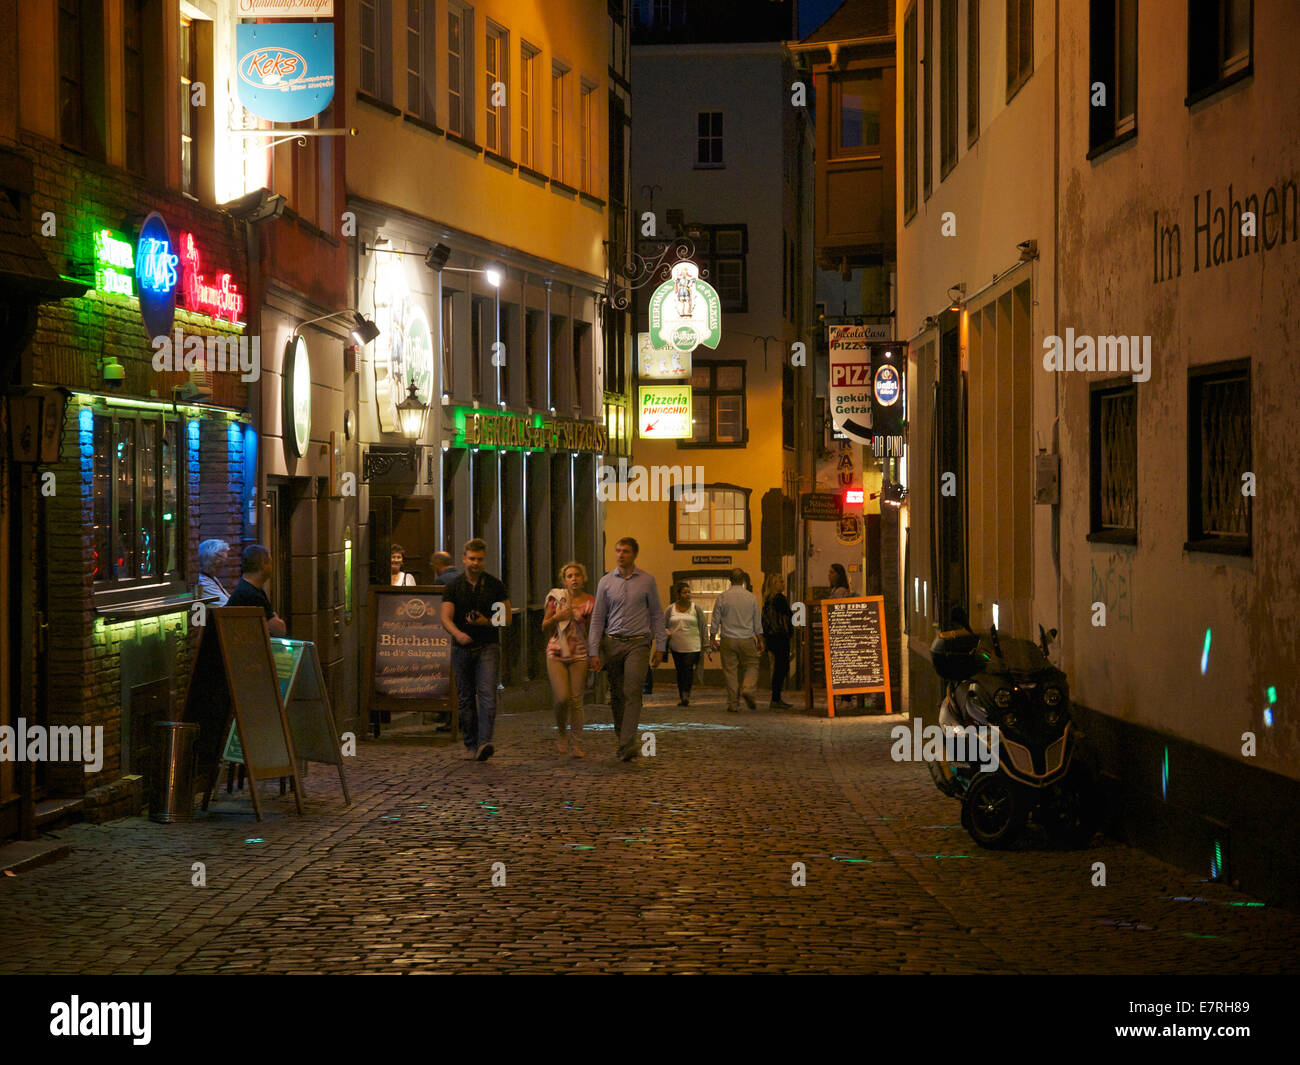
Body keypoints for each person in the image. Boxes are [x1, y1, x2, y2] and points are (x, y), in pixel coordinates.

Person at [588, 537, 666, 762]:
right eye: (618, 551)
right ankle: (623, 738)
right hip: (612, 642)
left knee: (632, 690)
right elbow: (597, 618)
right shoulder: (605, 582)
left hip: (638, 643)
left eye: (626, 551)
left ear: (634, 555)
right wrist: (594, 651)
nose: (621, 555)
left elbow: (656, 614)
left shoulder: (647, 581)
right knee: (617, 694)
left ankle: (626, 741)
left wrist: (660, 645)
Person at [441, 538, 510, 762]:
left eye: (479, 559)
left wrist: (486, 622)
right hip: (461, 648)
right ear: (464, 558)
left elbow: (506, 617)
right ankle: (470, 743)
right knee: (465, 698)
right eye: (471, 559)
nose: (475, 563)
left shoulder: (494, 585)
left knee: (488, 695)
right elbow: (445, 617)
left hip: (487, 646)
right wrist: (458, 634)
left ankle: (484, 742)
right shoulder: (454, 586)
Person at [541, 561, 595, 757]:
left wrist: (595, 654)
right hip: (556, 652)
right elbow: (544, 626)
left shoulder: (590, 601)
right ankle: (562, 732)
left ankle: (577, 743)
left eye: (577, 575)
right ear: (564, 580)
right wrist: (558, 616)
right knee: (562, 698)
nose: (574, 579)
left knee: (576, 700)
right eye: (570, 576)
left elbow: (593, 630)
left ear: (583, 579)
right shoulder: (556, 599)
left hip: (579, 653)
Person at [709, 568, 764, 713]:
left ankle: (733, 704)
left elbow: (715, 619)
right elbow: (757, 621)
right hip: (746, 638)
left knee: (730, 671)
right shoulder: (751, 597)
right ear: (743, 580)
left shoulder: (722, 597)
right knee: (752, 664)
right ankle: (747, 688)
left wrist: (712, 637)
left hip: (728, 638)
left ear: (730, 580)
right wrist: (760, 638)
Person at [225, 544, 287, 637]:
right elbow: (279, 630)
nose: (272, 567)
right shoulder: (252, 595)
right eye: (270, 562)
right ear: (263, 564)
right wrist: (277, 619)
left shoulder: (248, 589)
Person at [665, 581, 709, 706]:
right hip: (676, 645)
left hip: (693, 645)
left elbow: (703, 626)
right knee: (680, 670)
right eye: (685, 592)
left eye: (689, 592)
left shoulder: (696, 608)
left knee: (688, 668)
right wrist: (666, 633)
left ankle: (686, 694)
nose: (688, 595)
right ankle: (681, 693)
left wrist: (706, 645)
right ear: (678, 594)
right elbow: (664, 625)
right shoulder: (671, 609)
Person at [762, 573, 795, 709]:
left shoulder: (768, 600)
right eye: (780, 581)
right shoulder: (780, 599)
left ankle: (776, 698)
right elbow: (788, 617)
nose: (783, 584)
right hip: (780, 637)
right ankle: (776, 699)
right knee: (781, 667)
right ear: (774, 584)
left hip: (771, 638)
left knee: (776, 668)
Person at [197, 539, 231, 606]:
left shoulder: (211, 577)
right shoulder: (203, 582)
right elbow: (227, 607)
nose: (223, 567)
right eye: (221, 563)